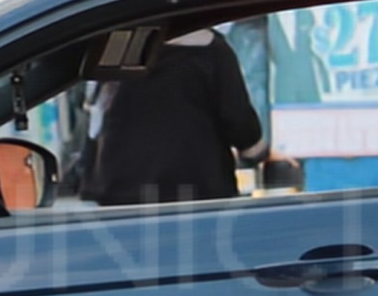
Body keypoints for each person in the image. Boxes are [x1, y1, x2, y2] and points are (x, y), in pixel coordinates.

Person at [82, 25, 264, 207]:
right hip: (198, 189)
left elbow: (99, 107)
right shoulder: (212, 50)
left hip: (125, 191)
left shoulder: (119, 45)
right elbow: (238, 120)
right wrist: (256, 151)